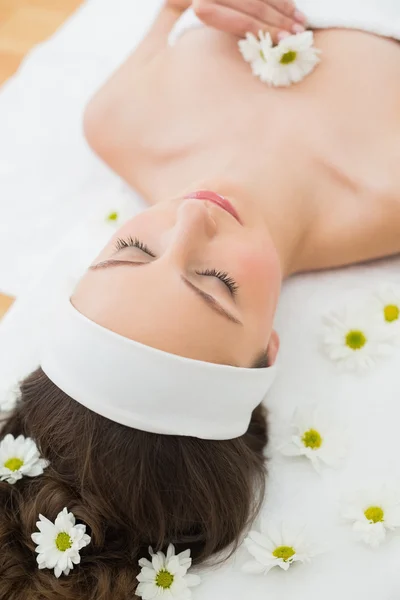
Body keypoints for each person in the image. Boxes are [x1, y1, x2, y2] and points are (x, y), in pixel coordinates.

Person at [1, 0, 400, 598]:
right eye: (217, 283)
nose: (190, 217)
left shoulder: (117, 121)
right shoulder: (387, 192)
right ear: (267, 351)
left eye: (133, 249)